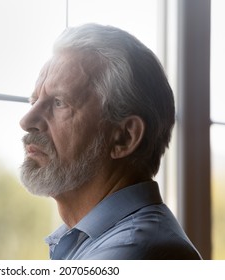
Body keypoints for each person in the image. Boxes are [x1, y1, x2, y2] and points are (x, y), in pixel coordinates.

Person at [19, 23, 202, 260]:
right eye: (34, 101)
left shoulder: (135, 251)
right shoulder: (91, 240)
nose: (27, 121)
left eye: (59, 103)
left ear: (124, 137)